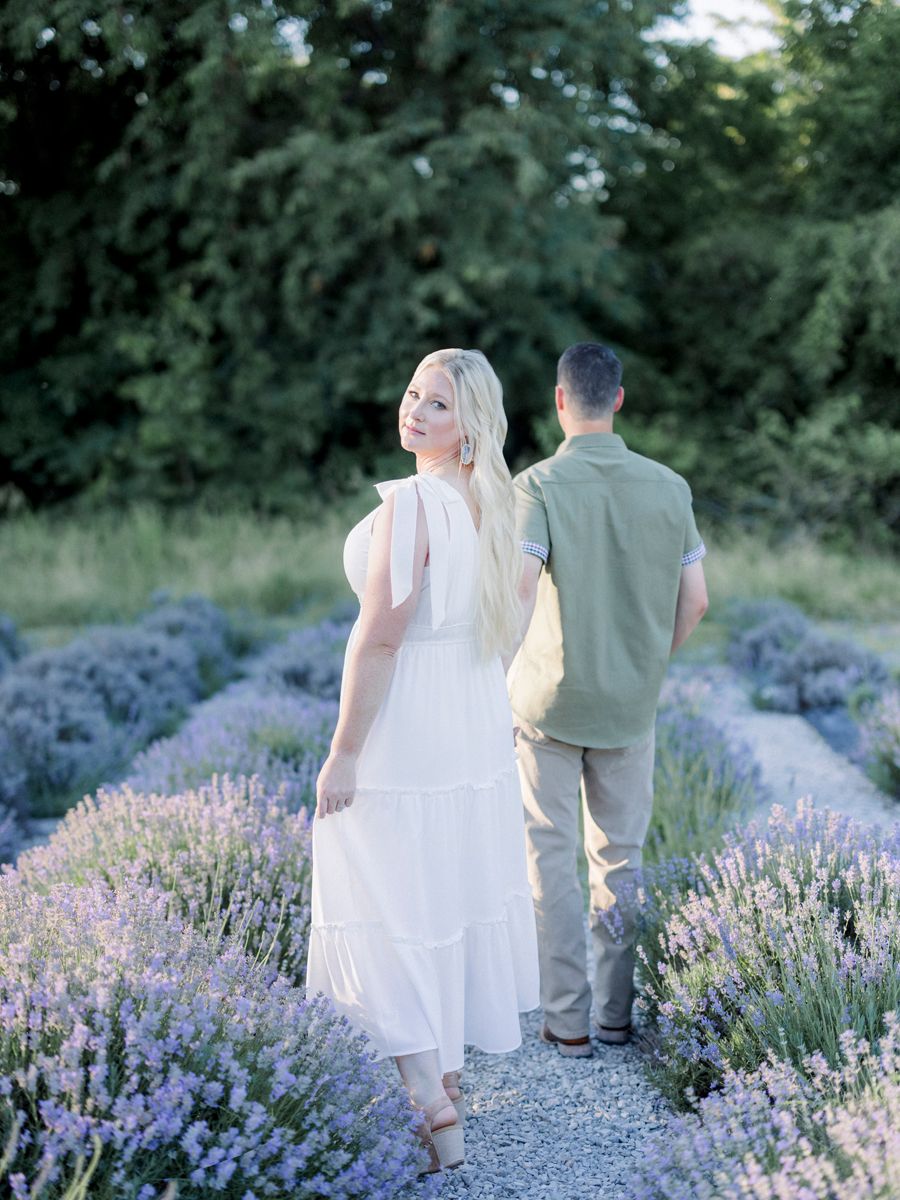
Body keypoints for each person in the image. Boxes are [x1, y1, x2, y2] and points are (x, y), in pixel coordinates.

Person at [307, 348, 540, 1171]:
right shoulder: (500, 503)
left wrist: (344, 753)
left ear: (469, 427)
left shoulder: (412, 503)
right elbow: (513, 617)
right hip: (468, 712)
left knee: (373, 885)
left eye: (437, 405)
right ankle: (442, 1073)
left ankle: (431, 1103)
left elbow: (378, 636)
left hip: (411, 716)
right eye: (413, 394)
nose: (414, 411)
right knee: (436, 888)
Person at [507, 342, 708, 1057]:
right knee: (620, 861)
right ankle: (617, 1019)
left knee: (551, 860)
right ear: (619, 399)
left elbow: (522, 584)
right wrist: (647, 664)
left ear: (560, 400)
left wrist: (498, 669)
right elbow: (697, 599)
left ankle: (567, 1022)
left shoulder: (535, 485)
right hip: (630, 705)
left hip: (548, 704)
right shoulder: (669, 487)